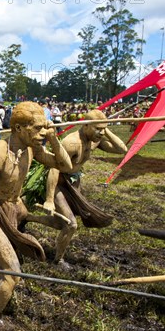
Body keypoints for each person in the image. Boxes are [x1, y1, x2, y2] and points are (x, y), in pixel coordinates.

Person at [0, 101, 72, 324]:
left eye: (45, 127)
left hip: (15, 208)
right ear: (18, 129)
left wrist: (53, 138)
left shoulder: (31, 149)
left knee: (62, 225)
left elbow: (65, 166)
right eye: (37, 128)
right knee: (13, 271)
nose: (42, 133)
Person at [37, 109, 128, 267]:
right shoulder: (72, 143)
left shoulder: (94, 140)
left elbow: (122, 150)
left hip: (73, 183)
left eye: (103, 129)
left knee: (61, 223)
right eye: (97, 129)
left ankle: (27, 217)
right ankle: (58, 260)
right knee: (71, 224)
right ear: (86, 125)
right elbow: (54, 168)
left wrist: (105, 130)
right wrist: (49, 199)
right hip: (59, 183)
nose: (100, 133)